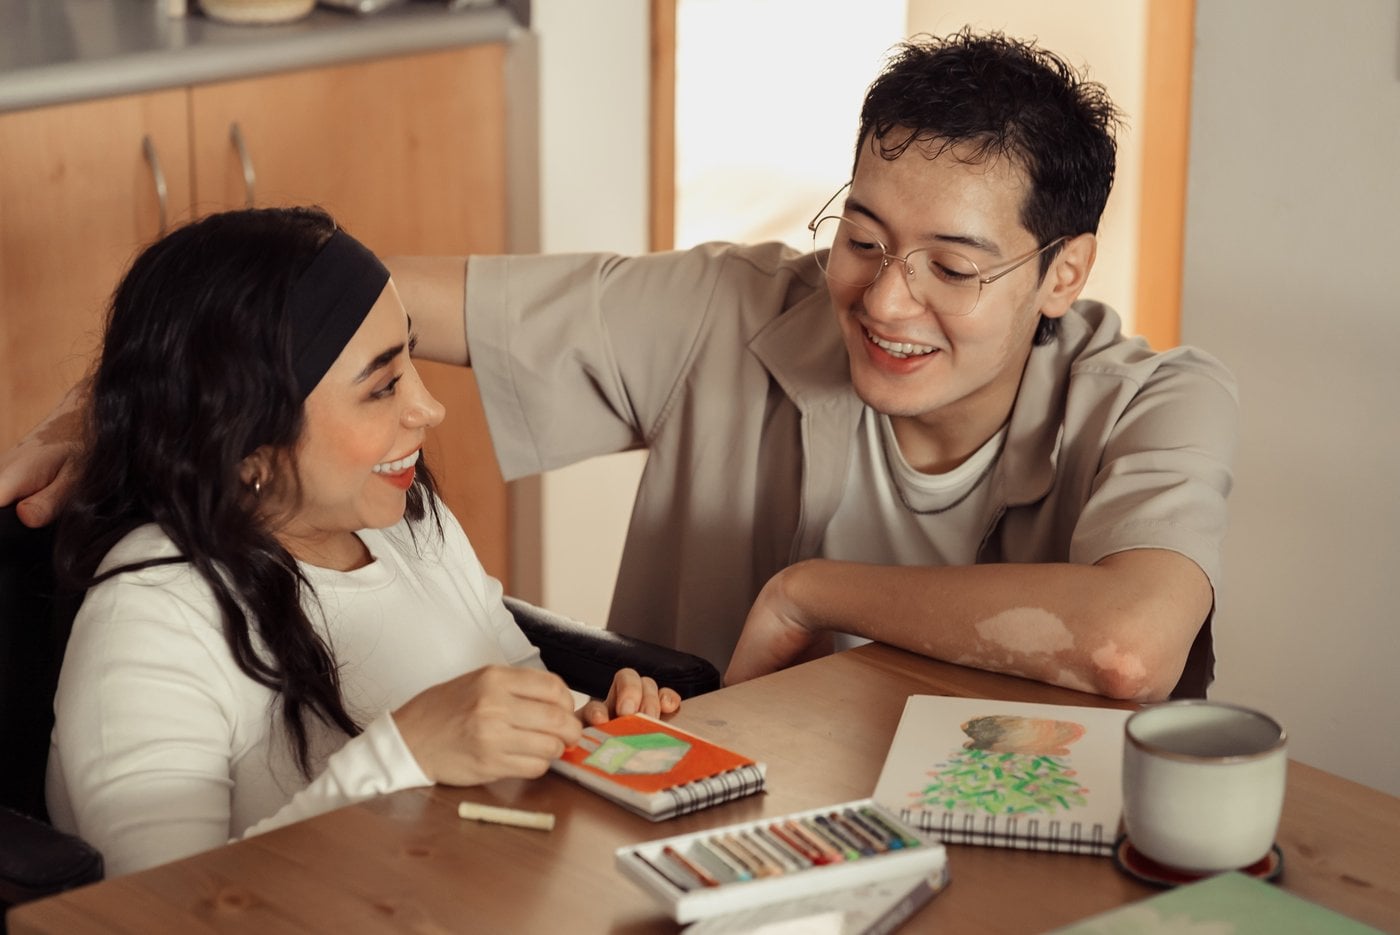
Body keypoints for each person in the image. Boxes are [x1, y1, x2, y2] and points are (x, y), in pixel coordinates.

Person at [1, 30, 1236, 703]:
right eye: (860, 236)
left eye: (952, 267)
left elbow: (1128, 646)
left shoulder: (1155, 402)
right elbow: (339, 292)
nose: (883, 298)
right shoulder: (729, 306)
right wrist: (122, 395)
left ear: (1062, 273)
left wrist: (810, 592)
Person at [39, 206, 680, 877]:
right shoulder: (151, 613)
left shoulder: (405, 522)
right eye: (382, 387)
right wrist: (406, 753)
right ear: (246, 450)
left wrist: (584, 728)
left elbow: (519, 687)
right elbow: (157, 914)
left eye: (410, 358)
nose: (428, 407)